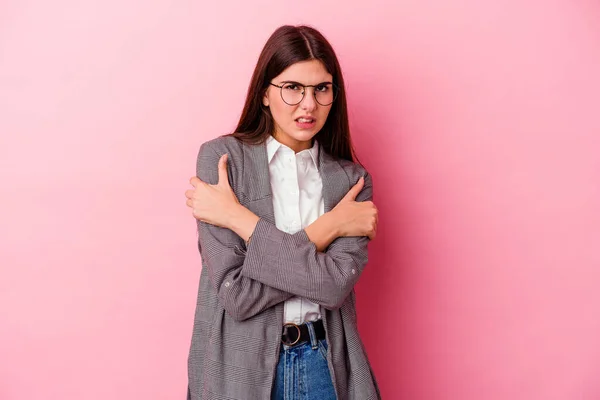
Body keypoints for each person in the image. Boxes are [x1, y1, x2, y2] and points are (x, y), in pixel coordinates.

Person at [184, 24, 380, 400]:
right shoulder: (223, 161)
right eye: (292, 88)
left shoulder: (351, 181)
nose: (308, 104)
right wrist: (329, 227)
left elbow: (333, 285)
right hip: (240, 367)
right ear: (265, 94)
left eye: (321, 88)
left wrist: (239, 220)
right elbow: (237, 295)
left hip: (323, 364)